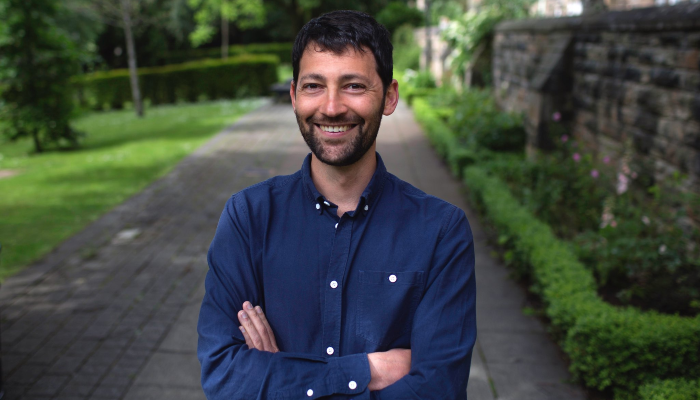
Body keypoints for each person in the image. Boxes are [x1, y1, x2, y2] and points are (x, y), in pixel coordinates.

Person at [197, 10, 476, 400]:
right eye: (314, 86)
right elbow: (225, 377)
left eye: (354, 86)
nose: (330, 108)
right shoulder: (249, 217)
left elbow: (438, 389)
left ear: (390, 97)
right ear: (294, 96)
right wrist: (367, 371)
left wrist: (280, 375)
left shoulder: (441, 232)